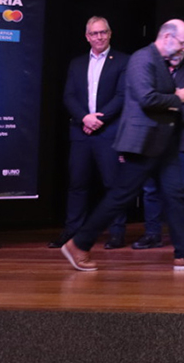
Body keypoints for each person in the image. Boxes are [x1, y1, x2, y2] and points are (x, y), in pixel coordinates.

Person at [60, 19, 184, 271]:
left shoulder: (161, 61)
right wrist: (177, 97)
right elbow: (147, 99)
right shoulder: (142, 59)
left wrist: (171, 101)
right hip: (143, 142)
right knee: (119, 196)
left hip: (163, 143)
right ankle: (78, 244)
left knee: (175, 196)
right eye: (182, 43)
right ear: (167, 37)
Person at [55, 16, 129, 249]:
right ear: (87, 37)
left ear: (110, 34)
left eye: (103, 32)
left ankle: (117, 233)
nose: (99, 37)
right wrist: (84, 118)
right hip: (81, 132)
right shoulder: (76, 63)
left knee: (112, 184)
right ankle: (72, 231)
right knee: (77, 184)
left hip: (108, 132)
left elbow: (121, 95)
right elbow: (68, 96)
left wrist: (98, 119)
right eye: (94, 33)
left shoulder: (123, 61)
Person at [132, 52, 184, 250]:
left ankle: (182, 235)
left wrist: (164, 108)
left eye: (181, 49)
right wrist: (175, 101)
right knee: (150, 190)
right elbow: (145, 103)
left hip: (181, 140)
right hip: (152, 140)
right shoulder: (152, 72)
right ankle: (152, 234)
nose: (176, 54)